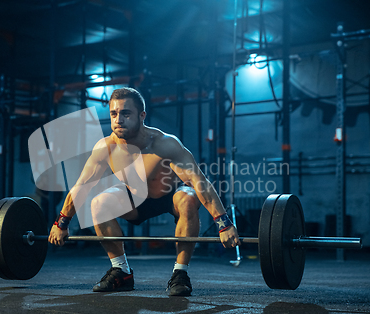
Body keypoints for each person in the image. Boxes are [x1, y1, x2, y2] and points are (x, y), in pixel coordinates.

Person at [48, 87, 240, 296]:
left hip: (169, 196)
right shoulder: (106, 147)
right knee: (98, 203)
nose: (119, 119)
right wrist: (62, 222)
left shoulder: (165, 144)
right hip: (134, 199)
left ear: (142, 116)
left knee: (188, 197)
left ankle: (180, 274)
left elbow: (199, 181)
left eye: (126, 113)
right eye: (114, 114)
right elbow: (82, 186)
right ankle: (121, 271)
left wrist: (224, 224)